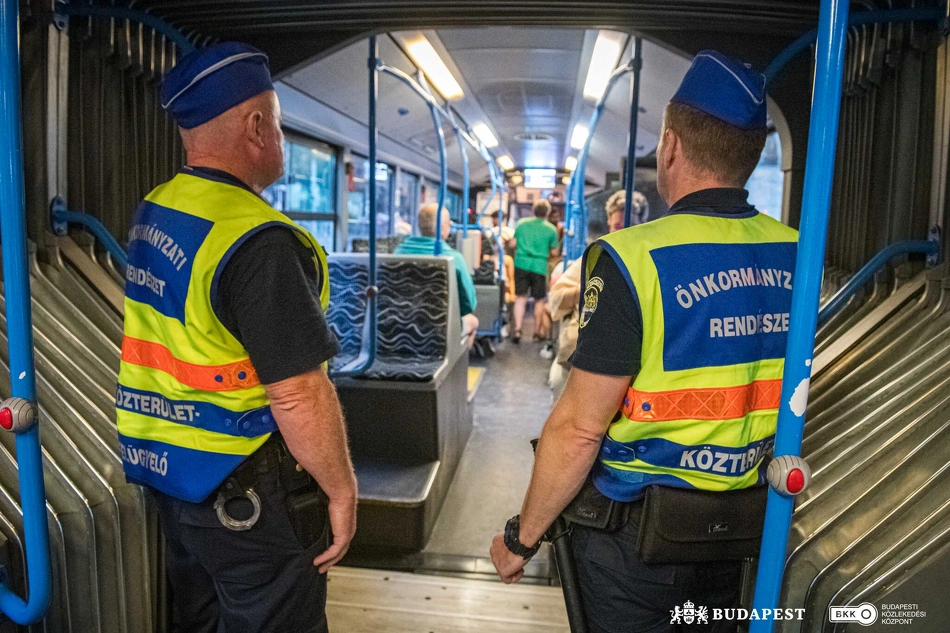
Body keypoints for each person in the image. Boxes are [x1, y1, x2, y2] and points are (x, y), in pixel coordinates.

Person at [490, 50, 798, 633]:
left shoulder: (632, 259)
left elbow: (580, 429)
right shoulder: (798, 254)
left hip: (639, 547)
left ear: (672, 146)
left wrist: (521, 537)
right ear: (752, 155)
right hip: (745, 536)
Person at [116, 43, 357, 633]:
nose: (278, 135)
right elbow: (298, 392)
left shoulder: (158, 209)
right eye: (276, 121)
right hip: (245, 485)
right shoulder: (258, 239)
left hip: (173, 479)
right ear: (255, 126)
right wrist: (342, 489)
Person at [394, 203, 480, 347]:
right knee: (472, 321)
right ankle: (458, 365)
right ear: (443, 228)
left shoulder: (397, 253)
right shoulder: (453, 259)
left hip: (399, 324)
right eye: (449, 224)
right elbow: (469, 304)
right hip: (438, 329)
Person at [511, 199, 560, 343]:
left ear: (533, 210)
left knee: (520, 298)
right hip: (539, 266)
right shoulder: (551, 229)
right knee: (539, 300)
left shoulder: (521, 224)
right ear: (548, 213)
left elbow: (513, 243)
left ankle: (518, 330)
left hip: (521, 263)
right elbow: (555, 252)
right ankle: (537, 332)